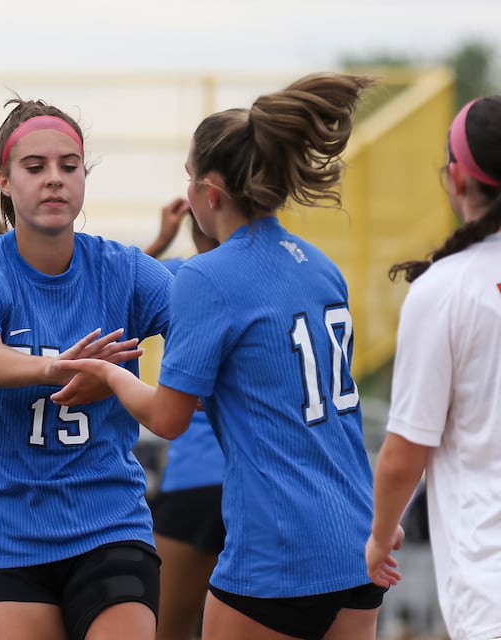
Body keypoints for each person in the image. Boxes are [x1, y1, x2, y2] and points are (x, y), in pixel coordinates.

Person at [52, 72, 385, 640]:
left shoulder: (207, 276)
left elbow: (167, 419)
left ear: (210, 192)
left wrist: (109, 373)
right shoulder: (321, 265)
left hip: (280, 545)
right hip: (357, 532)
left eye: (188, 179)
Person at [0, 98, 174, 640]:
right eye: (35, 167)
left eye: (69, 166)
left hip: (108, 524)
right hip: (5, 534)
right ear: (4, 180)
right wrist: (61, 368)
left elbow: (207, 328)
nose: (54, 179)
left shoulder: (126, 270)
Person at [365, 96, 501, 640]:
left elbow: (403, 454)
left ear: (456, 179)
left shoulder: (444, 290)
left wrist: (380, 535)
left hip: (488, 578)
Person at [143, 199, 225, 640]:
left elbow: (111, 288)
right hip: (257, 484)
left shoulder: (182, 276)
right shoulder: (275, 275)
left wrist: (159, 239)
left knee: (166, 627)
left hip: (194, 482)